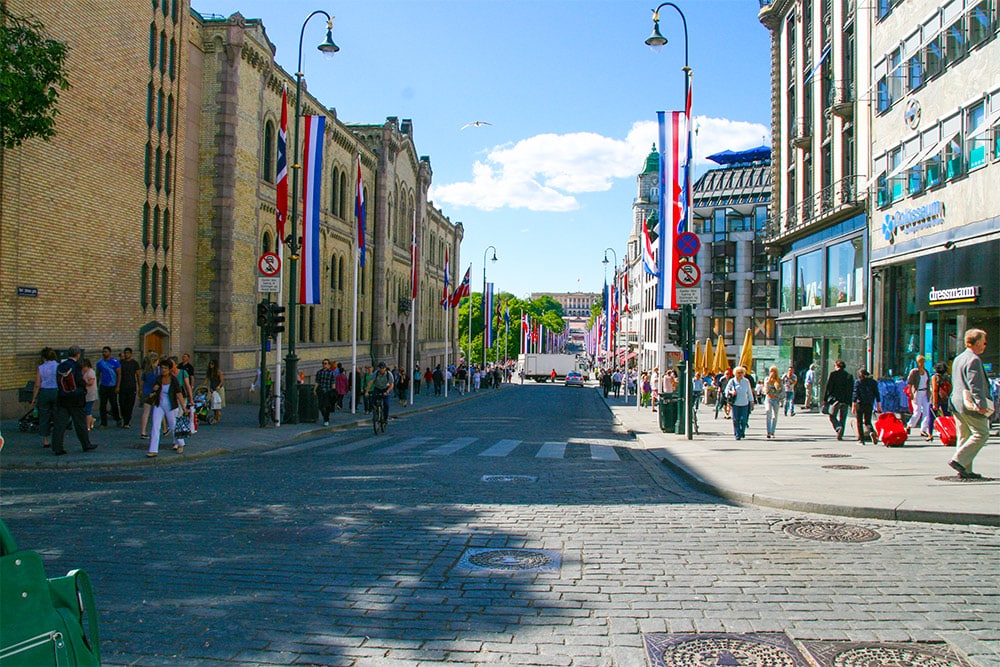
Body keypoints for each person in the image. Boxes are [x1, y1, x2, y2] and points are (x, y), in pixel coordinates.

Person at [948, 329, 992, 479]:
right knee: (982, 433)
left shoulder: (959, 358)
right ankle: (958, 460)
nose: (985, 346)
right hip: (969, 404)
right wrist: (981, 404)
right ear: (978, 342)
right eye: (984, 342)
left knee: (964, 435)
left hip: (957, 403)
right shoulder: (974, 359)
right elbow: (976, 385)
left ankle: (965, 470)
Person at [51, 345, 97, 455]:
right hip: (76, 399)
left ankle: (57, 447)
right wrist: (83, 390)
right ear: (78, 355)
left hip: (63, 398)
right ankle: (86, 444)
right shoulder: (76, 366)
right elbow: (79, 381)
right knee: (80, 423)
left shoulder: (61, 366)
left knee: (60, 425)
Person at [146, 359, 187, 457]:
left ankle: (180, 443)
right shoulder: (159, 379)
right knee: (155, 426)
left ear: (169, 369)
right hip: (159, 404)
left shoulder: (174, 380)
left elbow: (179, 394)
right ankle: (153, 450)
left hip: (170, 405)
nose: (163, 370)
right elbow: (154, 390)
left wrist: (184, 407)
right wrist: (154, 389)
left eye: (165, 368)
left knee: (173, 426)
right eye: (162, 368)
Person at [30, 347, 59, 448]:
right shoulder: (58, 366)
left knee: (44, 416)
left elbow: (37, 384)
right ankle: (57, 438)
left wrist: (34, 397)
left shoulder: (41, 367)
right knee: (57, 415)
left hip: (44, 392)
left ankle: (46, 440)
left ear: (43, 357)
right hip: (56, 391)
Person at [824, 360, 853, 440]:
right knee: (843, 418)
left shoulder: (833, 374)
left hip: (835, 399)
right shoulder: (849, 376)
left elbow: (829, 388)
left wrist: (825, 399)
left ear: (837, 366)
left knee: (832, 416)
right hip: (845, 400)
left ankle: (838, 427)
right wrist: (851, 402)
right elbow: (851, 389)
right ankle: (840, 434)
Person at [906, 355, 933, 440]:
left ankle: (923, 429)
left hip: (925, 392)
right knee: (917, 412)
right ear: (917, 362)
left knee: (926, 412)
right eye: (920, 362)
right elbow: (910, 383)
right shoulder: (914, 372)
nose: (922, 363)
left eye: (923, 361)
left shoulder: (926, 372)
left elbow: (928, 383)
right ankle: (909, 425)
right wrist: (911, 393)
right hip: (917, 392)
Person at [852, 367, 881, 444]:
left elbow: (855, 394)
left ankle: (861, 440)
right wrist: (878, 404)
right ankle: (871, 431)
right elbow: (877, 394)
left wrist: (853, 405)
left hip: (860, 403)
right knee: (868, 421)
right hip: (869, 403)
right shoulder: (873, 382)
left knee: (859, 422)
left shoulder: (858, 382)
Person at [725, 366, 754, 440]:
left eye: (741, 372)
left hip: (745, 403)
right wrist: (731, 392)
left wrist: (752, 401)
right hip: (735, 404)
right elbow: (726, 391)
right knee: (736, 419)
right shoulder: (732, 381)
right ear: (735, 373)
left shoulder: (746, 381)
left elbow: (749, 392)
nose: (740, 374)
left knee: (744, 419)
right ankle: (737, 434)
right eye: (738, 373)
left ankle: (742, 431)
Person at [95, 345, 122, 427]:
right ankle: (104, 422)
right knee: (102, 405)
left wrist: (118, 386)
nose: (104, 353)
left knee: (114, 403)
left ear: (110, 353)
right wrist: (97, 384)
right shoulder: (100, 363)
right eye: (103, 352)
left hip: (112, 386)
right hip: (103, 386)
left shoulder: (115, 362)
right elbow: (98, 374)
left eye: (106, 352)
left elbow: (119, 374)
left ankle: (118, 419)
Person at [929, 362, 952, 440]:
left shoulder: (935, 377)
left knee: (931, 417)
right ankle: (950, 432)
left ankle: (930, 434)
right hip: (945, 398)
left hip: (936, 399)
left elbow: (935, 390)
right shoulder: (947, 377)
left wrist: (935, 403)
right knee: (947, 417)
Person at [119, 347, 141, 429]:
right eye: (125, 353)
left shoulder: (134, 363)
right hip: (122, 386)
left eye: (128, 353)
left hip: (131, 386)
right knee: (122, 404)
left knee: (130, 404)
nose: (126, 355)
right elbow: (118, 374)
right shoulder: (121, 363)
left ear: (131, 354)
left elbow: (138, 375)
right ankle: (124, 418)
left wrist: (140, 387)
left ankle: (127, 421)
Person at [138, 354, 160, 438]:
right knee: (157, 412)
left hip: (146, 392)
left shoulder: (146, 371)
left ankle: (143, 431)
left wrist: (140, 390)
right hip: (155, 393)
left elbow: (142, 381)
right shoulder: (158, 371)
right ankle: (157, 430)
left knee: (145, 412)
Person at [315, 359, 336, 426]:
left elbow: (333, 383)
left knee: (326, 406)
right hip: (321, 390)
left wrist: (333, 392)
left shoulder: (331, 373)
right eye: (323, 363)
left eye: (326, 363)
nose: (324, 365)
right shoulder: (319, 372)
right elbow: (317, 382)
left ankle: (326, 419)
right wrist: (314, 390)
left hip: (328, 391)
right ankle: (325, 416)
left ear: (329, 365)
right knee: (321, 406)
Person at [763, 366, 782, 439]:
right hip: (769, 399)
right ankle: (768, 431)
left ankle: (773, 431)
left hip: (776, 399)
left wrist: (776, 383)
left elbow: (780, 390)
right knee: (768, 413)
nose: (772, 373)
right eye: (771, 371)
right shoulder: (767, 379)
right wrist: (769, 382)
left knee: (775, 416)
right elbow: (766, 389)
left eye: (773, 371)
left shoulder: (779, 380)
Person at [80, 357, 98, 431]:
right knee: (85, 410)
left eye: (84, 367)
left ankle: (87, 426)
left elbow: (90, 383)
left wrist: (84, 380)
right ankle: (92, 420)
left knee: (88, 410)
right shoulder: (83, 372)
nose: (83, 368)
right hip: (85, 394)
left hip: (91, 394)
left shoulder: (91, 372)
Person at [205, 359, 224, 424]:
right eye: (210, 364)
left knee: (217, 403)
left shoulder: (219, 372)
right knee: (213, 404)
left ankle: (216, 417)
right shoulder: (209, 372)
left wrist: (219, 386)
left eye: (212, 364)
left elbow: (221, 381)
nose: (211, 365)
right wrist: (202, 386)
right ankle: (217, 414)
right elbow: (206, 380)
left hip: (218, 389)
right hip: (212, 389)